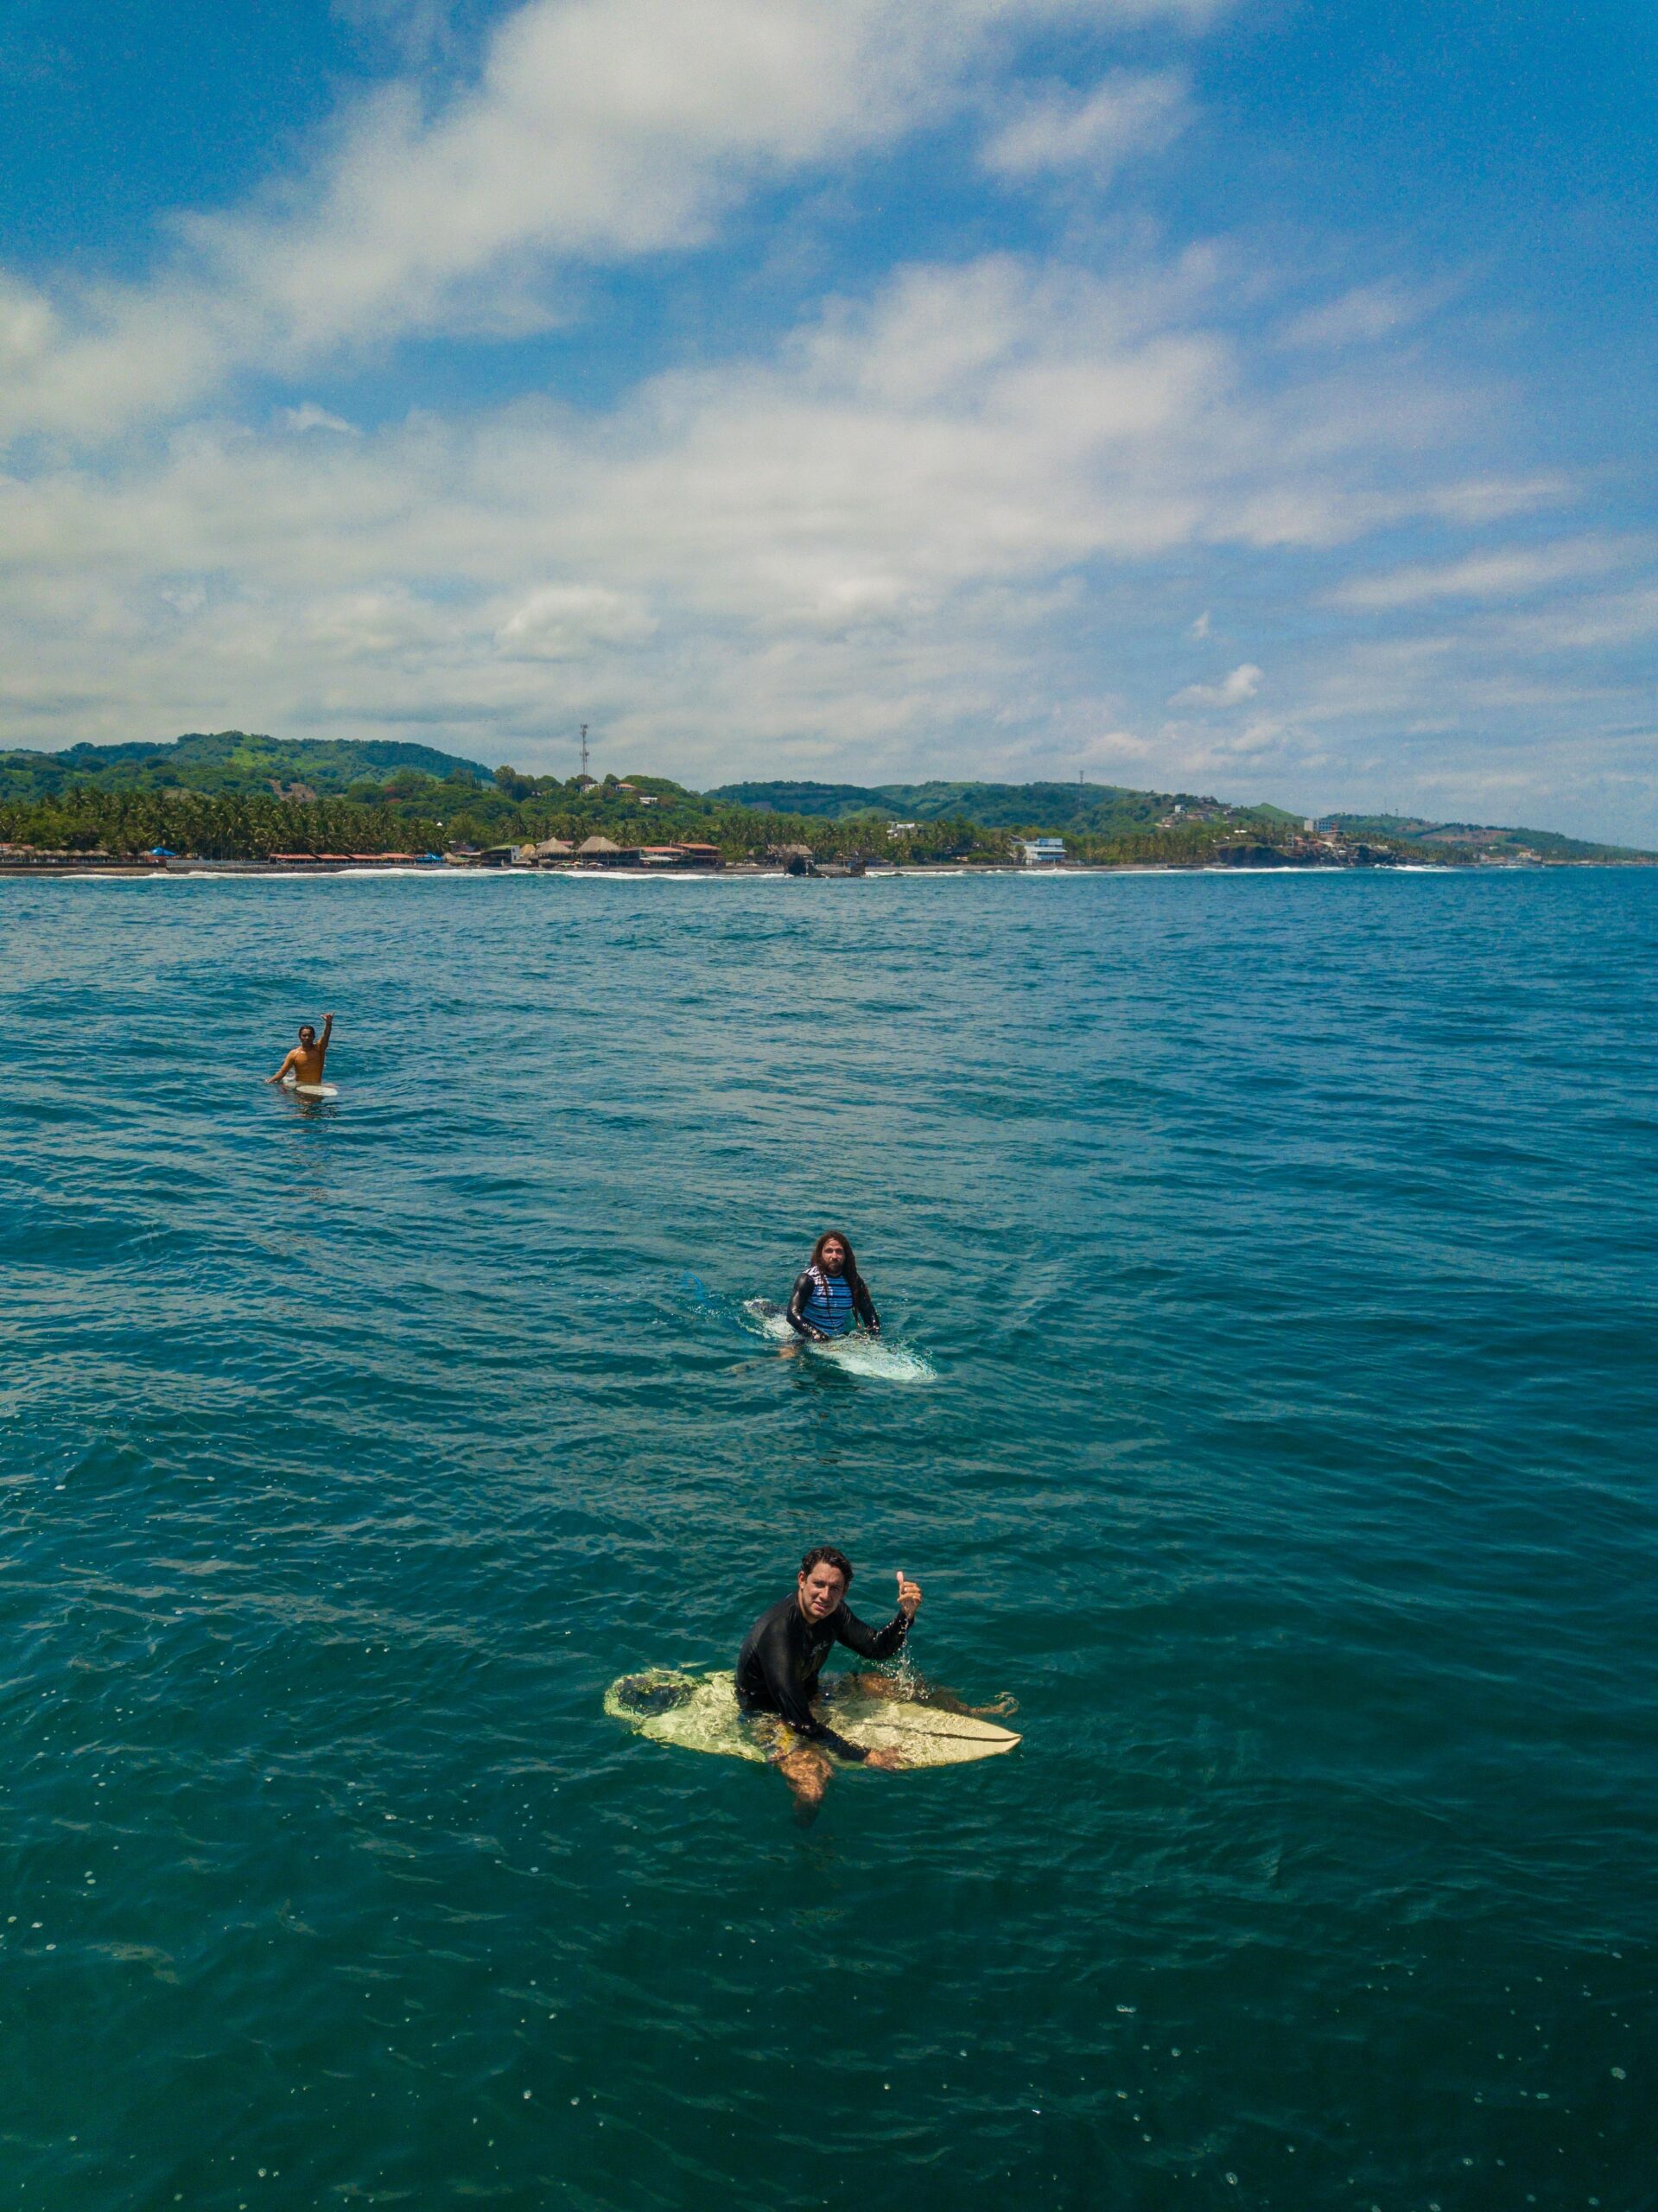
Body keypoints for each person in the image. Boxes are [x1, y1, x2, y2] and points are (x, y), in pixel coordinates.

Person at [736, 1546, 921, 1815]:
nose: (825, 1595)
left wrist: (906, 1615)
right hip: (769, 1714)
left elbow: (876, 1648)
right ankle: (806, 1849)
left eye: (834, 1588)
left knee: (889, 1685)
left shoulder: (832, 1612)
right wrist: (864, 1755)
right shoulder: (779, 1632)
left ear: (843, 1592)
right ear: (802, 1580)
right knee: (813, 1786)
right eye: (818, 1584)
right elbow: (799, 1720)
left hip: (812, 1694)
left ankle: (971, 1711)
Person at [786, 1231, 880, 1344]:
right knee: (787, 1357)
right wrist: (816, 1335)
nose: (834, 1256)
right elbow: (792, 1314)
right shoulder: (808, 1280)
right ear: (820, 1254)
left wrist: (874, 1338)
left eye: (839, 1251)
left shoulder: (853, 1281)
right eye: (829, 1251)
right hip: (803, 1335)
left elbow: (869, 1314)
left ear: (846, 1255)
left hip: (837, 1338)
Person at [267, 1013, 334, 1089]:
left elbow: (326, 1036)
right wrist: (269, 1081)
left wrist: (328, 1024)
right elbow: (282, 1072)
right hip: (300, 1087)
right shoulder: (294, 1054)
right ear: (299, 1037)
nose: (307, 1038)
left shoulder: (319, 1049)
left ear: (314, 1037)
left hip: (316, 1086)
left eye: (309, 1035)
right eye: (304, 1035)